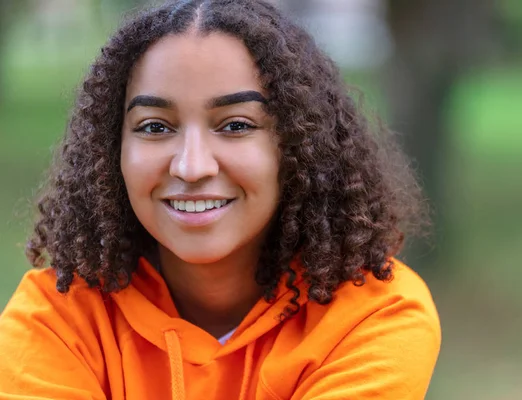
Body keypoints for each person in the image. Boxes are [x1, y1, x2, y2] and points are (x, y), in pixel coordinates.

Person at [0, 0, 441, 398]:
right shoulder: (55, 319)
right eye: (155, 127)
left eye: (235, 125)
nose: (191, 167)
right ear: (111, 152)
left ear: (300, 145)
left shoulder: (375, 316)